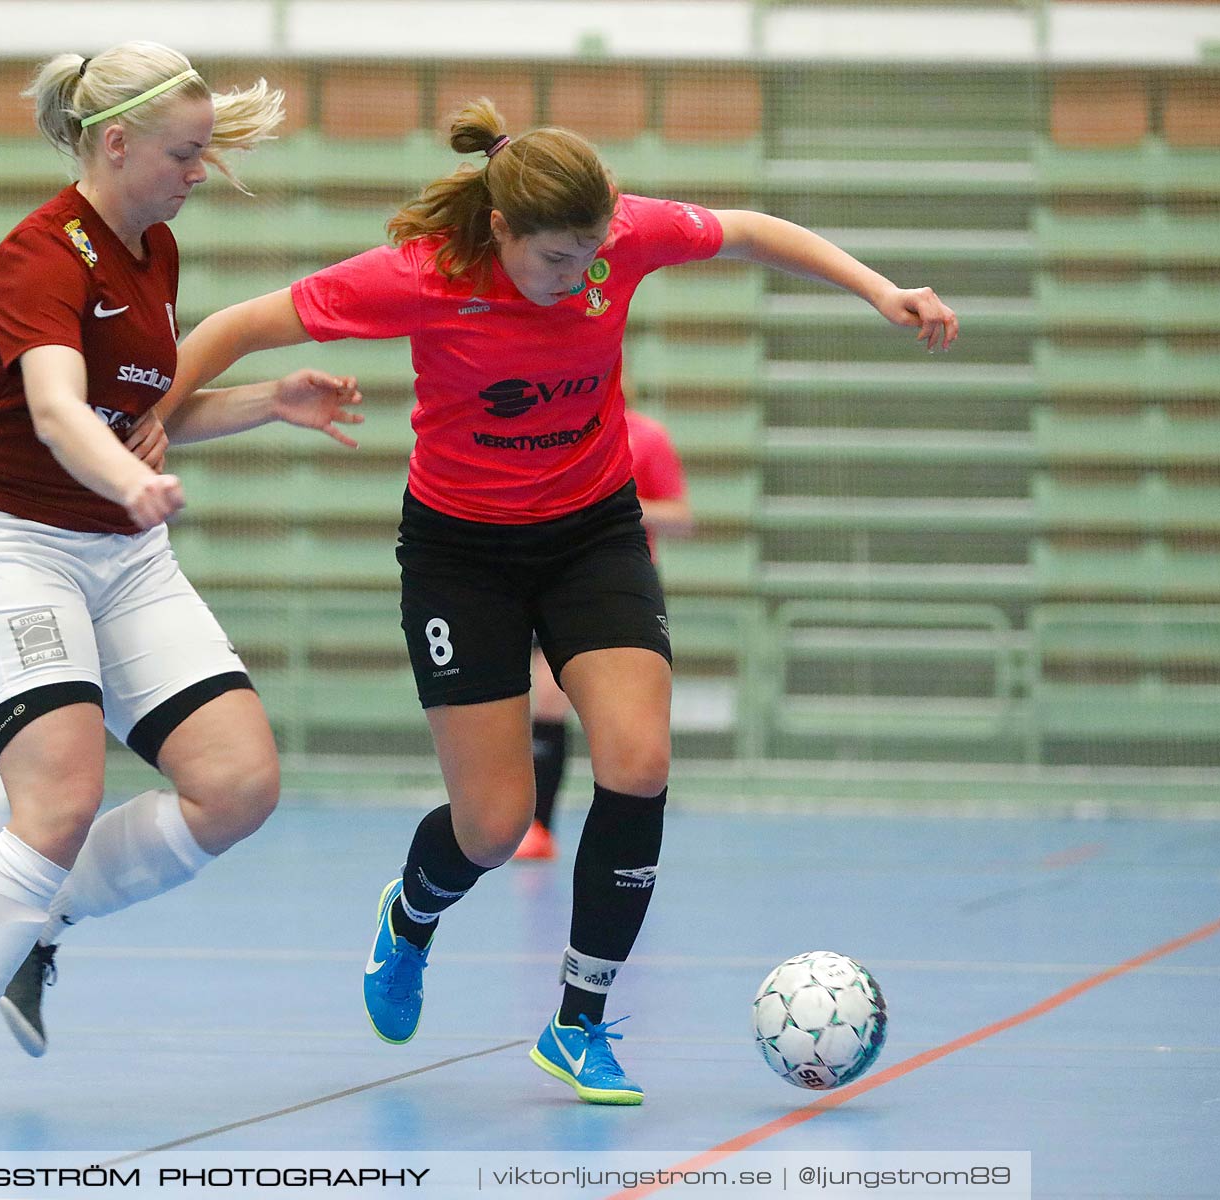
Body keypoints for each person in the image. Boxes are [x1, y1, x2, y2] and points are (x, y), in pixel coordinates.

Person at [168, 99, 957, 1106]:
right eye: (555, 259)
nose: (579, 275)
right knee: (493, 826)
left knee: (639, 758)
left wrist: (878, 290)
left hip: (592, 532)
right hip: (462, 555)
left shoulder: (617, 239)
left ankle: (579, 1022)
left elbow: (753, 232)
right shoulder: (424, 277)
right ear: (501, 232)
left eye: (593, 253)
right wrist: (145, 423)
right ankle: (410, 917)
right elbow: (237, 325)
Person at [0, 41, 359, 1115]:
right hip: (15, 548)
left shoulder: (154, 252)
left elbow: (144, 418)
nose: (200, 173)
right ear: (116, 143)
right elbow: (61, 415)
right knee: (58, 800)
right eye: (186, 155)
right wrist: (127, 484)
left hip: (122, 553)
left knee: (238, 784)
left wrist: (269, 402)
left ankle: (37, 929)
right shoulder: (37, 258)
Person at [515, 399, 691, 861]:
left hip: (623, 585)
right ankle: (539, 826)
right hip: (557, 579)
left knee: (629, 724)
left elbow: (682, 517)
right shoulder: (552, 432)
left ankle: (628, 836)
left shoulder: (646, 437)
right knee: (548, 701)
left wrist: (617, 505)